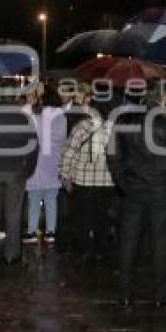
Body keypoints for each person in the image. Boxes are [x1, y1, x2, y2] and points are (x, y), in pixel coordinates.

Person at [107, 84, 166, 307]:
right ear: (161, 99)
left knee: (128, 241)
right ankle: (161, 294)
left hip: (133, 190)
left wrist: (123, 184)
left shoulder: (124, 122)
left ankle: (125, 292)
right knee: (161, 242)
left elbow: (113, 156)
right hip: (161, 191)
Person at [0, 84, 39, 264]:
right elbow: (33, 148)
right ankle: (12, 254)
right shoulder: (25, 119)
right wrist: (28, 170)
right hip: (16, 171)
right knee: (14, 213)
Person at [60, 89, 117, 261]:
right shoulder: (114, 128)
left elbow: (68, 153)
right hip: (106, 181)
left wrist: (65, 175)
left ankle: (85, 249)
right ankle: (100, 248)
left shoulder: (82, 127)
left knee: (82, 217)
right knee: (102, 216)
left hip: (83, 181)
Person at [24, 85, 67, 245]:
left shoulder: (36, 117)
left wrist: (30, 103)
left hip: (37, 163)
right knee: (51, 199)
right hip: (54, 163)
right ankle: (51, 231)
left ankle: (31, 231)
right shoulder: (62, 118)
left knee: (34, 199)